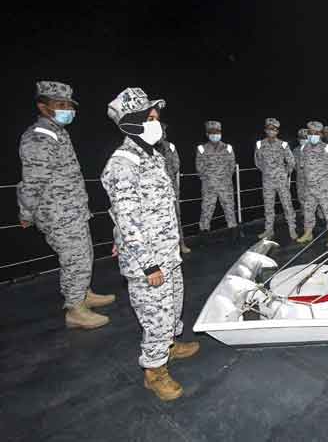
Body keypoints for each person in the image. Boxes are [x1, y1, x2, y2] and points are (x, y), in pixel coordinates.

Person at [102, 87, 199, 401]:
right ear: (131, 122)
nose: (157, 122)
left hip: (166, 250)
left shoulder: (152, 155)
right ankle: (154, 372)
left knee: (172, 304)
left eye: (157, 116)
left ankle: (169, 346)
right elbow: (128, 218)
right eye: (150, 117)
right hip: (149, 260)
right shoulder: (123, 163)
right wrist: (148, 264)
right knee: (155, 315)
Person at [17, 81, 114, 330]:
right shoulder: (39, 136)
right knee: (75, 259)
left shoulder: (57, 132)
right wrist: (26, 212)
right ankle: (75, 310)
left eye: (69, 105)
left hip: (71, 209)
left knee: (83, 255)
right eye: (60, 105)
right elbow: (33, 181)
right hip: (57, 212)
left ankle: (83, 294)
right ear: (43, 107)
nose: (67, 109)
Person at [296, 121, 328, 247]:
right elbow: (302, 166)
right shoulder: (305, 148)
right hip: (309, 187)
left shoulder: (327, 148)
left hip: (324, 187)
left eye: (316, 133)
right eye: (310, 132)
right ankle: (308, 233)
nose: (312, 135)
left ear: (320, 134)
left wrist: (323, 176)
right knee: (308, 211)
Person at [196, 121, 239, 242]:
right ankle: (204, 234)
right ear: (207, 134)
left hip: (225, 185)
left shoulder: (228, 148)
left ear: (220, 133)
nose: (215, 134)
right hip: (209, 185)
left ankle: (234, 231)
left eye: (217, 132)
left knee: (229, 208)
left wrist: (224, 178)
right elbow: (199, 167)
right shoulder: (202, 149)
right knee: (207, 209)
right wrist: (209, 178)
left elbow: (232, 165)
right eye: (212, 132)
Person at [254, 118, 297, 240]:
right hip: (267, 181)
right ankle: (268, 231)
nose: (271, 131)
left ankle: (292, 229)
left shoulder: (283, 144)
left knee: (287, 205)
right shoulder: (259, 144)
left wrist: (285, 173)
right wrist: (267, 171)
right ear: (265, 130)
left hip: (281, 181)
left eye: (274, 129)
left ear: (277, 131)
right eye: (269, 128)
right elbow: (257, 161)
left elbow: (291, 162)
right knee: (268, 207)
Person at [155, 122, 191, 254]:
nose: (163, 134)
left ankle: (181, 244)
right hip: (153, 192)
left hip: (170, 188)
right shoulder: (147, 147)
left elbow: (176, 165)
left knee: (176, 217)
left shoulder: (170, 146)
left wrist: (167, 173)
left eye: (163, 132)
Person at [293, 128, 308, 210]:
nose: (303, 139)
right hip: (300, 179)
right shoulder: (295, 151)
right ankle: (304, 214)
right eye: (301, 138)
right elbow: (293, 164)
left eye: (305, 137)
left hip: (312, 179)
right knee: (301, 197)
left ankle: (320, 215)